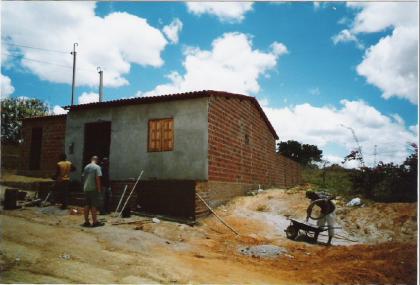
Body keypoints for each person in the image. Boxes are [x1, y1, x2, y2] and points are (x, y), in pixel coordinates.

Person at [81, 156, 104, 227]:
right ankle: (95, 222)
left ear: (91, 160)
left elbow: (83, 177)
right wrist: (99, 190)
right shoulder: (97, 167)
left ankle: (86, 221)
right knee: (94, 205)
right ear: (97, 160)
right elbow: (97, 179)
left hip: (86, 188)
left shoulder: (86, 167)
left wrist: (84, 186)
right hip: (93, 188)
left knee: (87, 205)